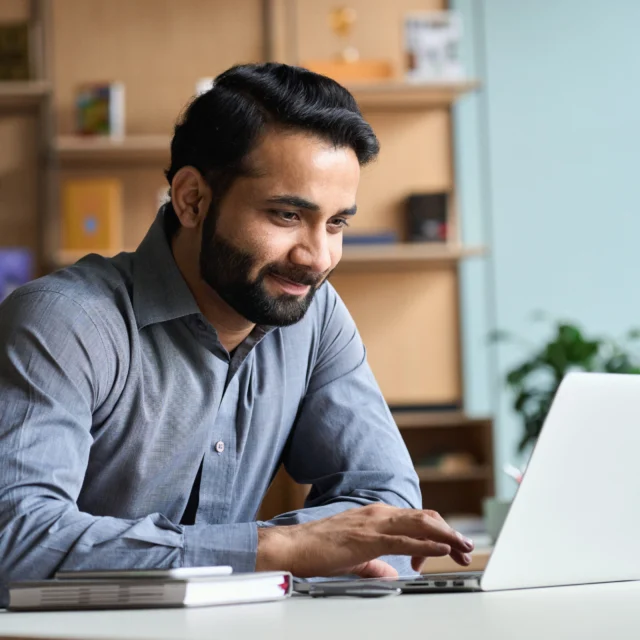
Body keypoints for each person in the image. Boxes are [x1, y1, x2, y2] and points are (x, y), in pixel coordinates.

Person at [0, 63, 473, 602]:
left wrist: (305, 549)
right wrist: (276, 549)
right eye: (287, 215)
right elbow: (16, 541)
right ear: (192, 199)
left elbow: (387, 506)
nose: (317, 257)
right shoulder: (65, 321)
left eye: (337, 223)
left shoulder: (314, 315)